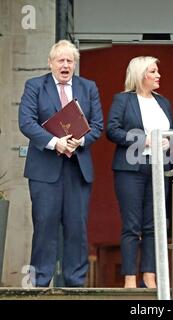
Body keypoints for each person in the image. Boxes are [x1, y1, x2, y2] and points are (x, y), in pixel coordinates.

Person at [18, 40, 103, 287]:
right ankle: (41, 283)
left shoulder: (88, 87)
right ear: (50, 63)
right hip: (45, 170)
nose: (65, 65)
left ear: (75, 64)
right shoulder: (34, 85)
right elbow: (26, 122)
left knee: (77, 228)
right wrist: (56, 143)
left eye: (69, 61)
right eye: (60, 60)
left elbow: (97, 124)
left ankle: (75, 284)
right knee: (45, 226)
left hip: (78, 169)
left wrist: (81, 141)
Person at [106, 56, 173, 289]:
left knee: (155, 225)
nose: (158, 76)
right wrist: (143, 140)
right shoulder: (123, 100)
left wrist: (169, 141)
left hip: (159, 168)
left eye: (158, 71)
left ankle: (149, 275)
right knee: (132, 225)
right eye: (153, 72)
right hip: (130, 169)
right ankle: (129, 278)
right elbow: (112, 130)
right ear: (140, 75)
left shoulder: (163, 102)